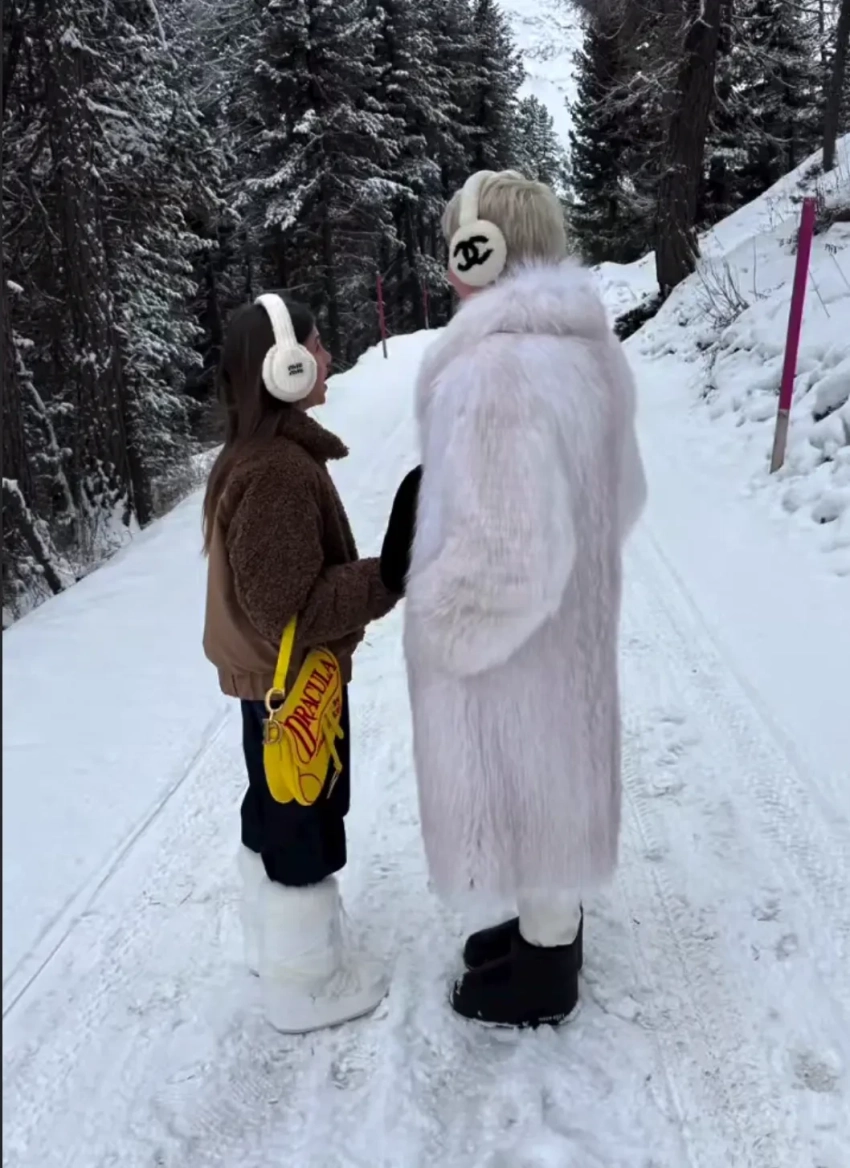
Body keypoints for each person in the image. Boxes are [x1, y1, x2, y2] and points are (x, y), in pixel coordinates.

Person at [382, 170, 647, 1028]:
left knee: (526, 773)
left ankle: (545, 971)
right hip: (565, 627)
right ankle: (549, 934)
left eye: (457, 245)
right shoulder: (589, 352)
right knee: (558, 771)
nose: (449, 264)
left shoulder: (494, 369)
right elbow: (626, 496)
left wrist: (439, 618)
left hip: (517, 638)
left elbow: (507, 555)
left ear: (482, 251)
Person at [203, 291, 401, 1034]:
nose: (325, 357)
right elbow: (291, 610)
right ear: (281, 364)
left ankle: (274, 945)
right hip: (293, 683)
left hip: (267, 682)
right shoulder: (279, 470)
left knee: (272, 803)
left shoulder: (257, 453)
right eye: (314, 347)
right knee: (303, 818)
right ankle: (304, 983)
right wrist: (389, 576)